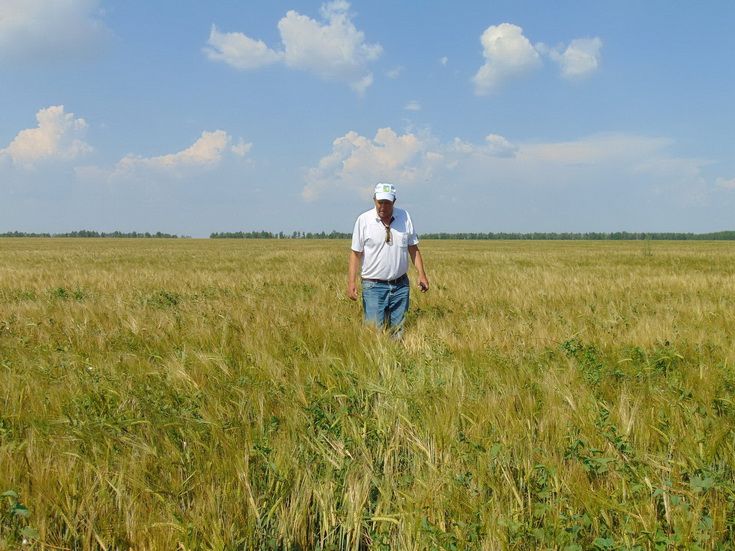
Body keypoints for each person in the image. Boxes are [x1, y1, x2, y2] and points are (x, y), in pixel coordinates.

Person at [347, 182, 429, 336]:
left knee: (397, 333)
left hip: (401, 286)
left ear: (394, 202)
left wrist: (422, 275)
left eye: (387, 202)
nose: (382, 206)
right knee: (373, 334)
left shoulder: (404, 217)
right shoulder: (363, 220)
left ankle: (395, 359)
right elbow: (355, 254)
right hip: (373, 286)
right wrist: (351, 282)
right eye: (380, 202)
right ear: (374, 200)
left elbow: (413, 248)